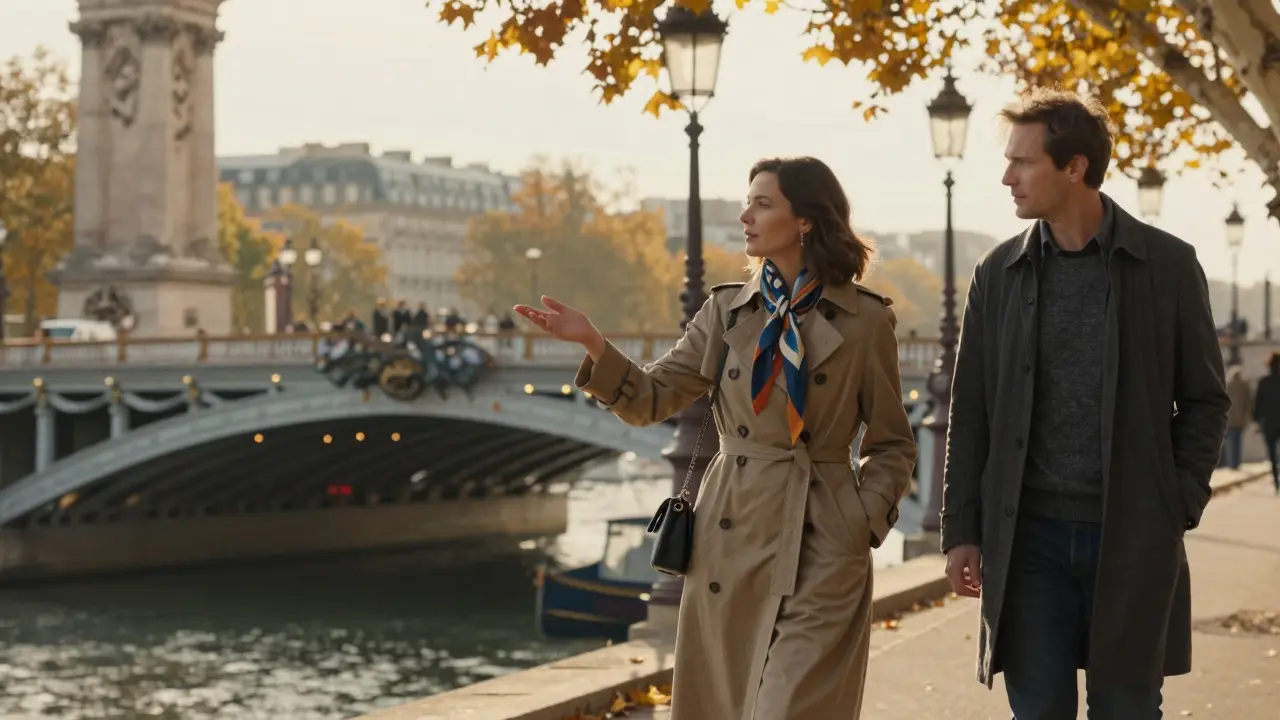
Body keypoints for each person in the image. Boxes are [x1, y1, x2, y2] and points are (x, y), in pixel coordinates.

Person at [515, 156, 917, 719]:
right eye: (747, 201)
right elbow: (653, 399)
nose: (744, 215)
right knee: (727, 703)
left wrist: (864, 518)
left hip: (825, 537)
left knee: (792, 708)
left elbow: (892, 441)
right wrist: (595, 347)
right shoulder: (726, 310)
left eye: (762, 203)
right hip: (734, 536)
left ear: (804, 220)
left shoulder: (866, 321)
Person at [940, 88, 1230, 719]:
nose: (1006, 175)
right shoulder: (998, 273)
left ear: (1074, 167)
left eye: (1023, 161)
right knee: (1038, 712)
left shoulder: (1170, 267)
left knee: (1126, 709)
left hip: (1130, 534)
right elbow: (973, 411)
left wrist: (1176, 501)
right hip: (1029, 540)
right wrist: (961, 530)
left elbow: (1205, 400)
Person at [1254, 352, 1280, 493]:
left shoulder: (1263, 382)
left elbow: (1258, 404)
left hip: (1269, 422)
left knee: (1272, 454)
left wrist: (1257, 420)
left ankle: (1276, 481)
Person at [1225, 364, 1253, 469]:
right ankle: (1237, 462)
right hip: (1241, 419)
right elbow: (1249, 402)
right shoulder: (1244, 385)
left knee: (1230, 442)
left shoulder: (1228, 385)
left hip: (1229, 418)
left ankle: (1232, 463)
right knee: (1237, 441)